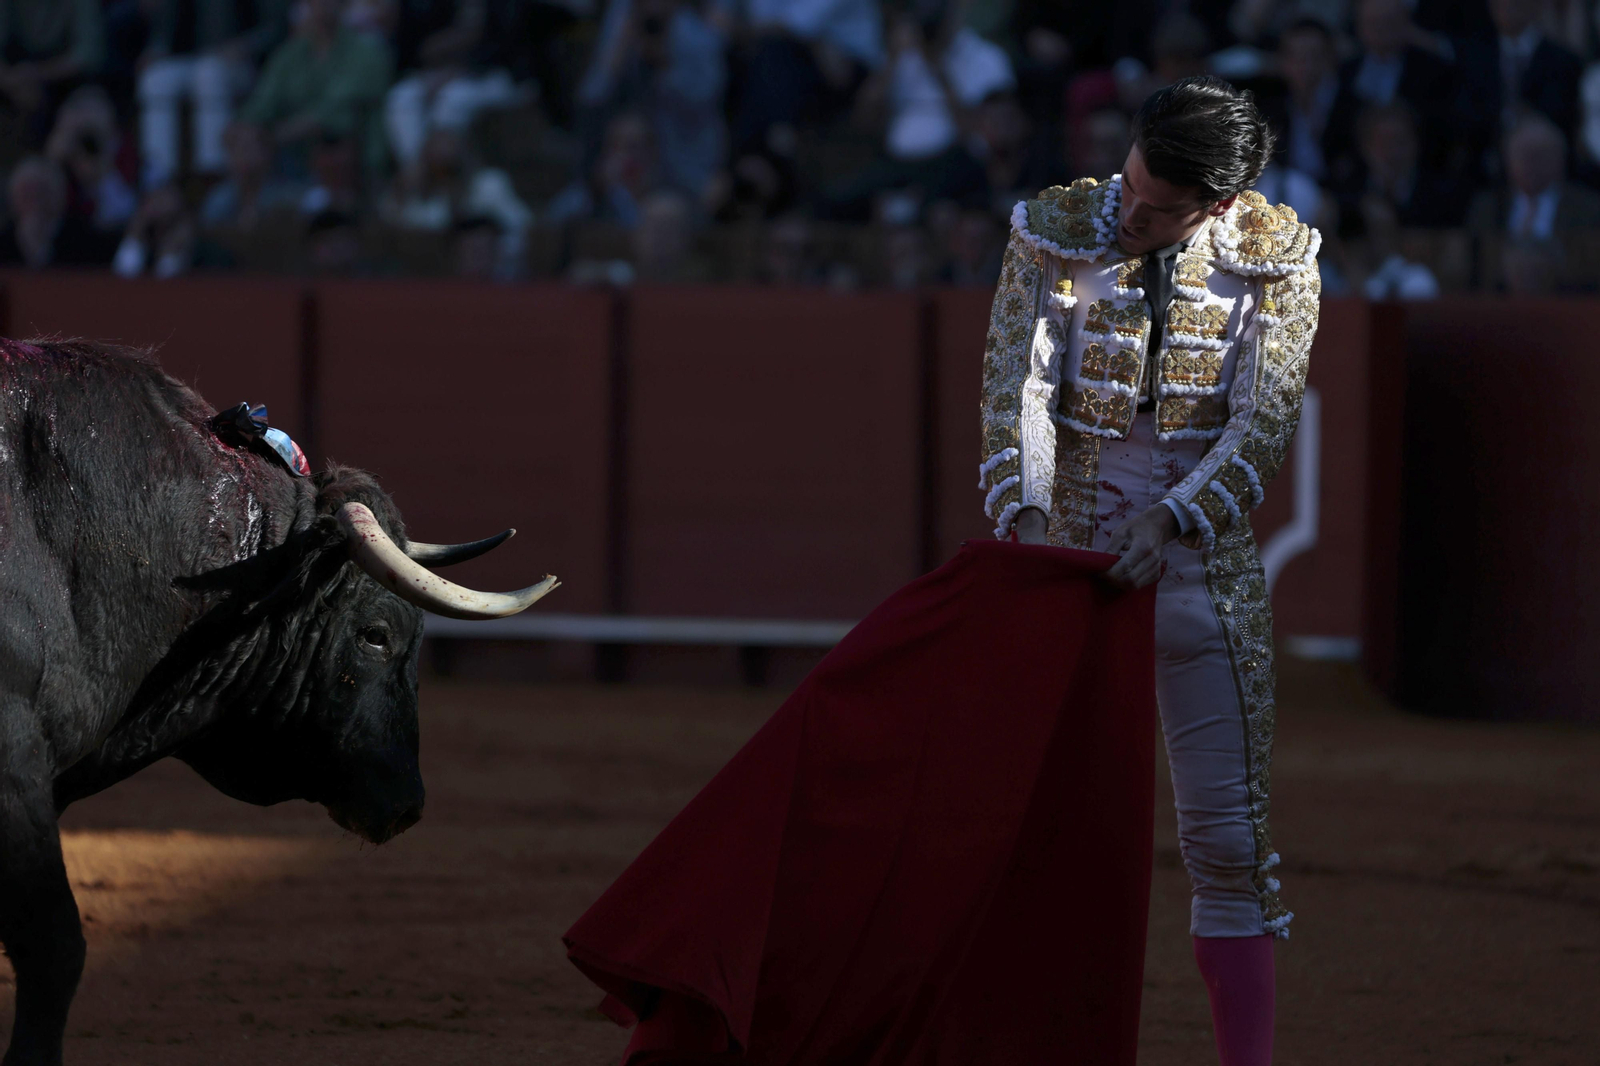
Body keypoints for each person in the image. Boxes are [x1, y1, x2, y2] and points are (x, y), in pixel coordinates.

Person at [979, 75, 1321, 1066]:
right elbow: (1018, 390)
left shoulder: (1275, 262)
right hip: (1063, 563)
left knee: (1227, 849)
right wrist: (1036, 526)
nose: (1129, 212)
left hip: (1199, 570)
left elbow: (1263, 425)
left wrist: (1171, 519)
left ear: (1218, 206)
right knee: (1028, 839)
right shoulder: (1055, 228)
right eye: (1131, 183)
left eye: (1160, 208)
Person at [136, 0, 289, 187]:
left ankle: (212, 170)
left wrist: (245, 45)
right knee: (155, 79)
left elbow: (274, 26)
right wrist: (156, 50)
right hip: (193, 58)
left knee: (209, 73)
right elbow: (167, 24)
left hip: (242, 64)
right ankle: (159, 173)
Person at [238, 0, 393, 180]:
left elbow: (336, 113)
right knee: (246, 139)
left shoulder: (367, 53)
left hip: (349, 159)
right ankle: (249, 204)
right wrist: (246, 129)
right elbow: (262, 101)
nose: (323, 4)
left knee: (333, 144)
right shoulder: (289, 54)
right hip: (288, 156)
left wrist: (276, 136)